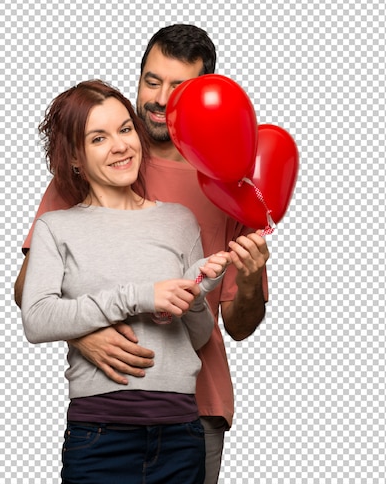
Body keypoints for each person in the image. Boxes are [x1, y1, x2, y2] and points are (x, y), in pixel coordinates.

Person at [15, 25, 270, 483]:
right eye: (152, 81)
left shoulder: (225, 177)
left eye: (179, 87)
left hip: (197, 406)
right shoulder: (89, 166)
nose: (159, 97)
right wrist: (85, 335)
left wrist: (247, 277)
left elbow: (235, 324)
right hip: (106, 410)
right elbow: (31, 295)